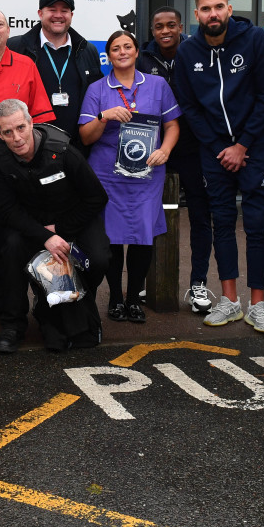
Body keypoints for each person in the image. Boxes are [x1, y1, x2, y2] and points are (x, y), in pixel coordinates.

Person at [173, 0, 264, 333]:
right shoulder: (188, 52)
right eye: (206, 9)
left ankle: (258, 304)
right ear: (197, 14)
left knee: (257, 225)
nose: (213, 14)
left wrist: (242, 145)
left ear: (229, 9)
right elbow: (189, 107)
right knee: (222, 223)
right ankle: (230, 300)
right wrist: (221, 148)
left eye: (219, 7)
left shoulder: (254, 39)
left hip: (253, 148)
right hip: (214, 152)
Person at [0, 99, 108, 352]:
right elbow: (8, 210)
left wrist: (61, 229)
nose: (16, 137)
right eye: (7, 132)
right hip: (32, 224)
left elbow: (97, 198)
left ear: (31, 123)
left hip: (74, 218)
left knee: (98, 260)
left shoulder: (63, 150)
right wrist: (45, 236)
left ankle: (67, 309)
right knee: (11, 248)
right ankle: (13, 325)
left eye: (21, 128)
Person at [0, 7, 55, 335]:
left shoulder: (26, 65)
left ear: (8, 30)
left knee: (1, 244)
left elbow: (41, 120)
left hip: (9, 176)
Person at [79, 30, 179, 323]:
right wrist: (104, 116)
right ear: (108, 55)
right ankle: (115, 298)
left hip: (147, 173)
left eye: (127, 47)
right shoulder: (97, 89)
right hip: (107, 174)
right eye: (115, 48)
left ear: (137, 52)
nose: (122, 52)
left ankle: (134, 298)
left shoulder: (158, 85)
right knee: (110, 239)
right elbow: (86, 137)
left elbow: (172, 125)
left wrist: (165, 150)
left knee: (142, 237)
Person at [139, 6, 215, 313]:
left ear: (181, 27)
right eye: (159, 26)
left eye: (171, 25)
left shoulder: (197, 52)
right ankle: (149, 280)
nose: (166, 31)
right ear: (152, 30)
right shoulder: (143, 59)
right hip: (155, 150)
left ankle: (198, 284)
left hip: (194, 149)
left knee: (200, 216)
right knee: (149, 215)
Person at [7, 0, 103, 148]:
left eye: (64, 11)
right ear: (40, 14)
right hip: (31, 146)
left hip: (76, 147)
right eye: (52, 10)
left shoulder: (87, 50)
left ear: (71, 15)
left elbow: (96, 96)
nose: (58, 15)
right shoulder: (16, 47)